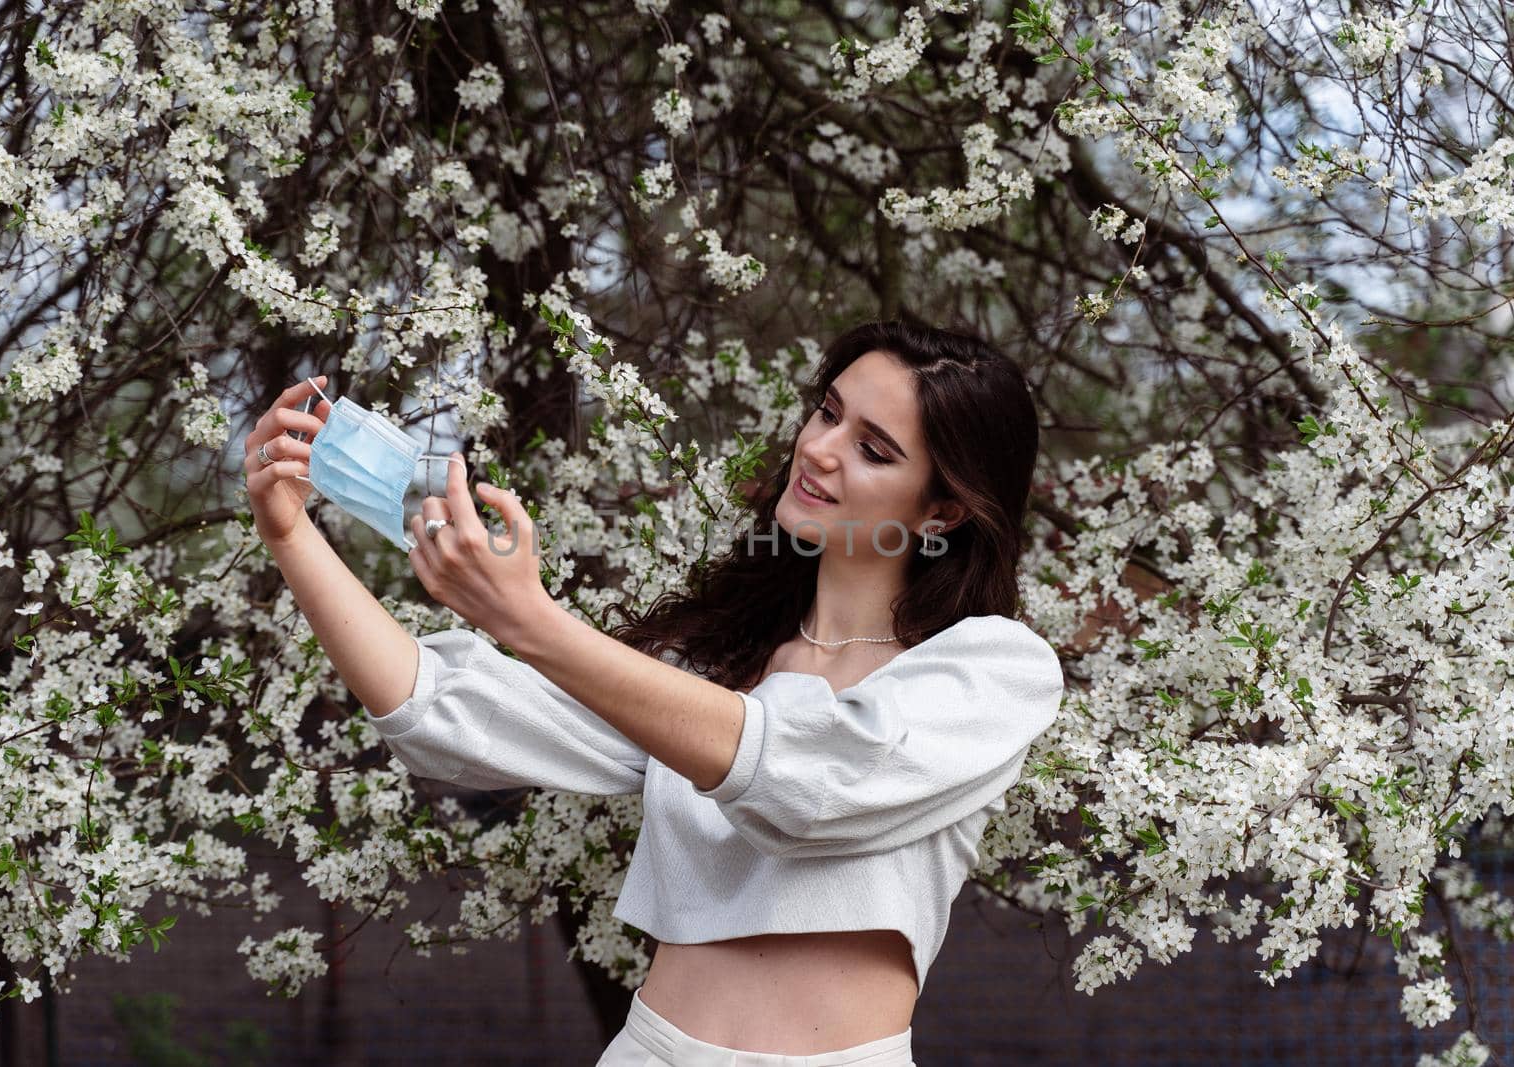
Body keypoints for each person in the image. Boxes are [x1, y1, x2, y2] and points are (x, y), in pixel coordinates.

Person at [243, 320, 1065, 1067]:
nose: (820, 448)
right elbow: (452, 712)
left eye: (874, 448)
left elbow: (802, 781)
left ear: (946, 508)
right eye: (827, 411)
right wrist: (291, 534)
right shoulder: (719, 663)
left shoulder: (994, 670)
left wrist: (535, 621)